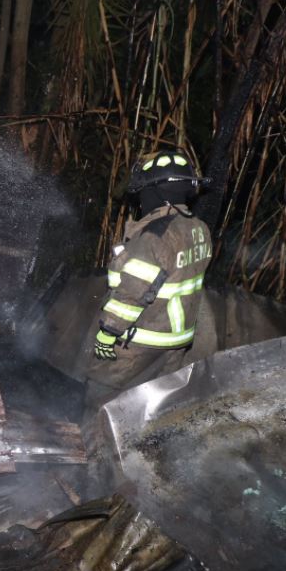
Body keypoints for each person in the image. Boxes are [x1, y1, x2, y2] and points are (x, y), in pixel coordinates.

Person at [85, 150, 212, 407]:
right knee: (153, 403)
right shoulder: (199, 228)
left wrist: (108, 333)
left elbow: (131, 293)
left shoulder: (155, 237)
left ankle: (94, 443)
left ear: (155, 192)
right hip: (177, 339)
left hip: (142, 338)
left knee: (103, 398)